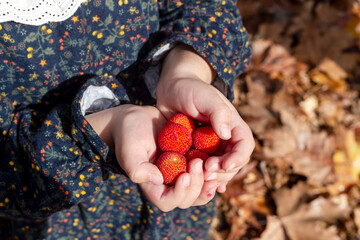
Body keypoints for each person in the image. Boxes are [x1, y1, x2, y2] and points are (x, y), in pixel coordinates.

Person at [0, 0, 254, 239]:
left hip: (159, 173)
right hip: (67, 204)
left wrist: (186, 71)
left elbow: (200, 5)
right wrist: (104, 129)